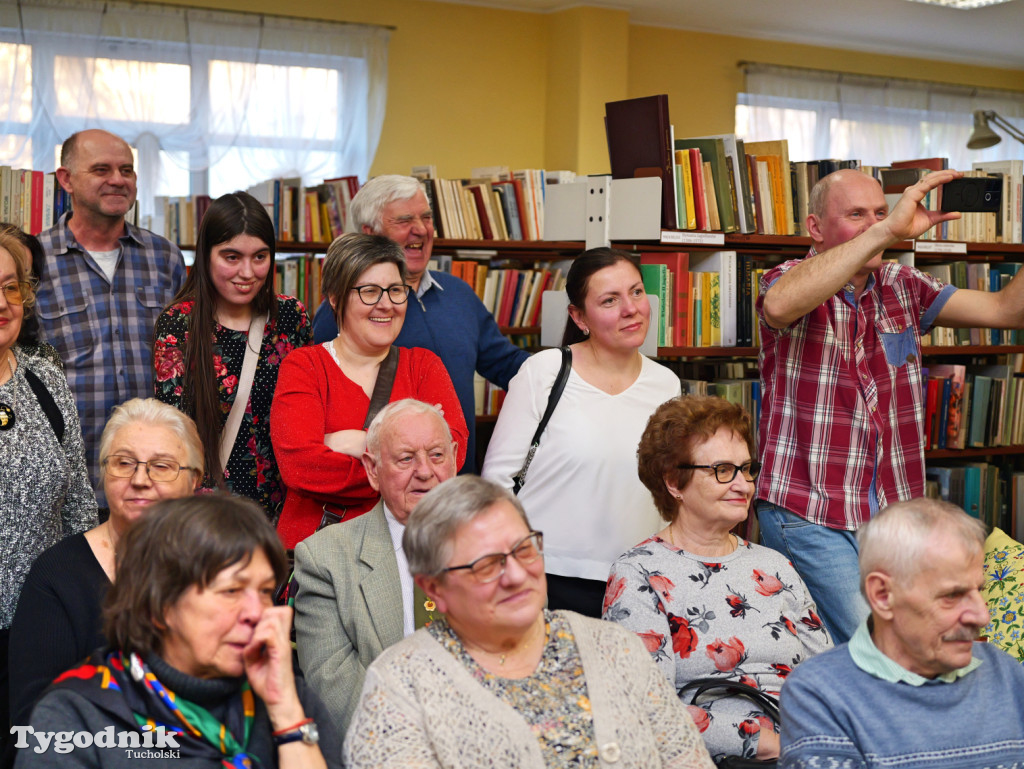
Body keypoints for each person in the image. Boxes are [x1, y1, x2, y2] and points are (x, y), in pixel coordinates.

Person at [756, 168, 1024, 644]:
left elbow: (1006, 311)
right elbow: (779, 306)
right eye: (855, 214)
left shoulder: (902, 284)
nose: (878, 223)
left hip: (893, 522)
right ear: (815, 228)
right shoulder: (785, 281)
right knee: (887, 647)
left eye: (881, 212)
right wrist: (886, 230)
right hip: (810, 513)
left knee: (907, 651)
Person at [343, 475, 716, 769]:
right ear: (433, 587)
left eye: (523, 549)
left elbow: (686, 758)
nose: (516, 575)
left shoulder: (614, 647)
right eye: (486, 565)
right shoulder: (400, 685)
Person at [14, 495, 341, 769]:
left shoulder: (287, 692)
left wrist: (286, 713)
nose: (257, 613)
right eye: (231, 592)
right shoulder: (78, 714)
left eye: (265, 591)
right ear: (159, 605)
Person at [603, 395, 831, 762]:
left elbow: (829, 675)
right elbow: (646, 707)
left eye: (746, 468)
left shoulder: (773, 565)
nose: (743, 484)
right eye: (723, 470)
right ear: (674, 482)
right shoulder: (638, 572)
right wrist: (767, 743)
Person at [482, 247, 681, 617]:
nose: (631, 309)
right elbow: (496, 481)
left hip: (639, 577)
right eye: (610, 300)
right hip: (547, 576)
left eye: (636, 292)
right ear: (579, 316)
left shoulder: (666, 384)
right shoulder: (544, 371)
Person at [779, 498, 1024, 768]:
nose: (982, 617)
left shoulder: (1005, 671)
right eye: (953, 595)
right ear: (883, 595)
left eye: (978, 590)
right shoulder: (821, 695)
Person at [311, 175, 529, 471]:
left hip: (455, 485)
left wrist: (576, 368)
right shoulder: (344, 312)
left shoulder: (458, 293)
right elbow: (325, 414)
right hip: (380, 492)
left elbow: (507, 365)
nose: (421, 230)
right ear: (369, 232)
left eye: (426, 217)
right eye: (404, 221)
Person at [8, 398, 203, 730]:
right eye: (124, 463)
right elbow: (36, 721)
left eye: (162, 466)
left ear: (195, 480)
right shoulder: (57, 575)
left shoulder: (226, 568)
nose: (140, 479)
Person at [272, 233, 467, 548]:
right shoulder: (304, 367)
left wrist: (358, 443)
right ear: (335, 298)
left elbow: (448, 461)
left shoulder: (424, 367)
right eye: (370, 291)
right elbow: (301, 468)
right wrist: (404, 463)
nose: (386, 304)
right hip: (324, 552)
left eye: (395, 291)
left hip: (411, 549)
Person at [35, 129, 186, 504]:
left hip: (155, 476)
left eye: (127, 170)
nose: (118, 180)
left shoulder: (165, 257)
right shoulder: (34, 260)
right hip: (66, 479)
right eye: (101, 169)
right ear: (66, 179)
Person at [293, 399, 458, 733]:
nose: (425, 471)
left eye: (437, 455)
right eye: (406, 458)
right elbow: (335, 690)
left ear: (454, 458)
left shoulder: (497, 547)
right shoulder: (324, 558)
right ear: (372, 469)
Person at [153, 191, 310, 522]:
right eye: (231, 257)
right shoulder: (179, 322)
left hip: (285, 506)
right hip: (209, 513)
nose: (247, 272)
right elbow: (171, 428)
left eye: (260, 257)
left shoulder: (291, 316)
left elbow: (308, 412)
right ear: (206, 255)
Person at [0, 229, 96, 758]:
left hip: (43, 629)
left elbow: (80, 499)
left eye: (11, 288)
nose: (1, 303)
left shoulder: (44, 378)